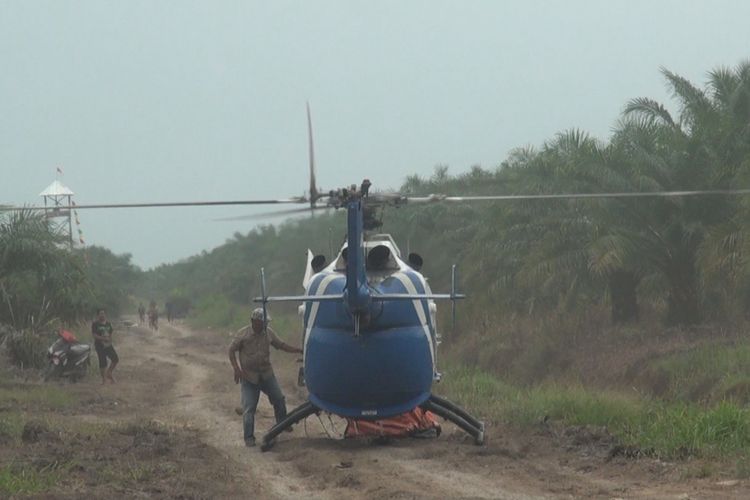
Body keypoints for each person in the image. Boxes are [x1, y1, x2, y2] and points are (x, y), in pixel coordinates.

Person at [228, 308, 303, 447]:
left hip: (266, 374)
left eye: (266, 322)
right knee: (249, 408)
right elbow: (231, 350)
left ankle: (282, 423)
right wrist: (236, 369)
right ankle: (249, 437)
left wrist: (298, 350)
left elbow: (281, 345)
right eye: (262, 322)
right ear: (254, 322)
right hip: (249, 377)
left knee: (279, 399)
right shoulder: (243, 334)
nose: (264, 325)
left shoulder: (268, 333)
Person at [91, 308, 118, 384]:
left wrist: (109, 340)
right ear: (98, 315)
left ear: (105, 314)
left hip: (108, 345)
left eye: (103, 313)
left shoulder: (108, 324)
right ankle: (104, 380)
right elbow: (94, 335)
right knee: (103, 362)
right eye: (100, 313)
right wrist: (102, 338)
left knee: (115, 359)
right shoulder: (95, 324)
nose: (102, 315)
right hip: (99, 345)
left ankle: (109, 372)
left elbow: (111, 333)